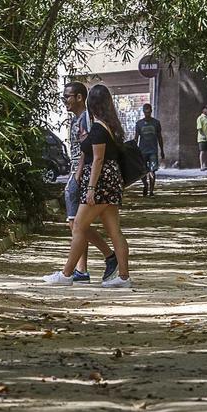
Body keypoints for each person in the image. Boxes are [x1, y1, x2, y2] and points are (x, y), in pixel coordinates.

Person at [44, 84, 132, 288]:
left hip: (101, 183)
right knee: (114, 231)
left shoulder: (99, 127)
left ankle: (67, 274)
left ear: (92, 102)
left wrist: (91, 189)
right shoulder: (108, 125)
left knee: (78, 226)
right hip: (110, 182)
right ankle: (124, 277)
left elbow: (98, 160)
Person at [60, 82, 117, 283]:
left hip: (80, 174)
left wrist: (79, 176)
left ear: (79, 97)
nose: (64, 101)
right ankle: (82, 269)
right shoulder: (77, 119)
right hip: (76, 172)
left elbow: (89, 151)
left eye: (68, 96)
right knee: (75, 222)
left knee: (77, 223)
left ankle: (107, 257)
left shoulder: (86, 118)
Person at [133, 103, 164, 196]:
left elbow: (159, 137)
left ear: (151, 111)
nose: (147, 113)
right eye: (146, 112)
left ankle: (151, 191)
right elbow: (136, 138)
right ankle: (145, 184)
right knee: (142, 171)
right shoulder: (139, 124)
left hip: (153, 151)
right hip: (142, 151)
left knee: (152, 170)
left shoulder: (156, 123)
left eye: (149, 111)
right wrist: (134, 149)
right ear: (143, 112)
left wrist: (162, 150)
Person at [196, 105, 207, 170]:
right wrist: (203, 136)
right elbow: (199, 128)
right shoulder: (200, 118)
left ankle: (205, 165)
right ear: (203, 110)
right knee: (202, 152)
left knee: (206, 152)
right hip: (202, 138)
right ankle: (201, 166)